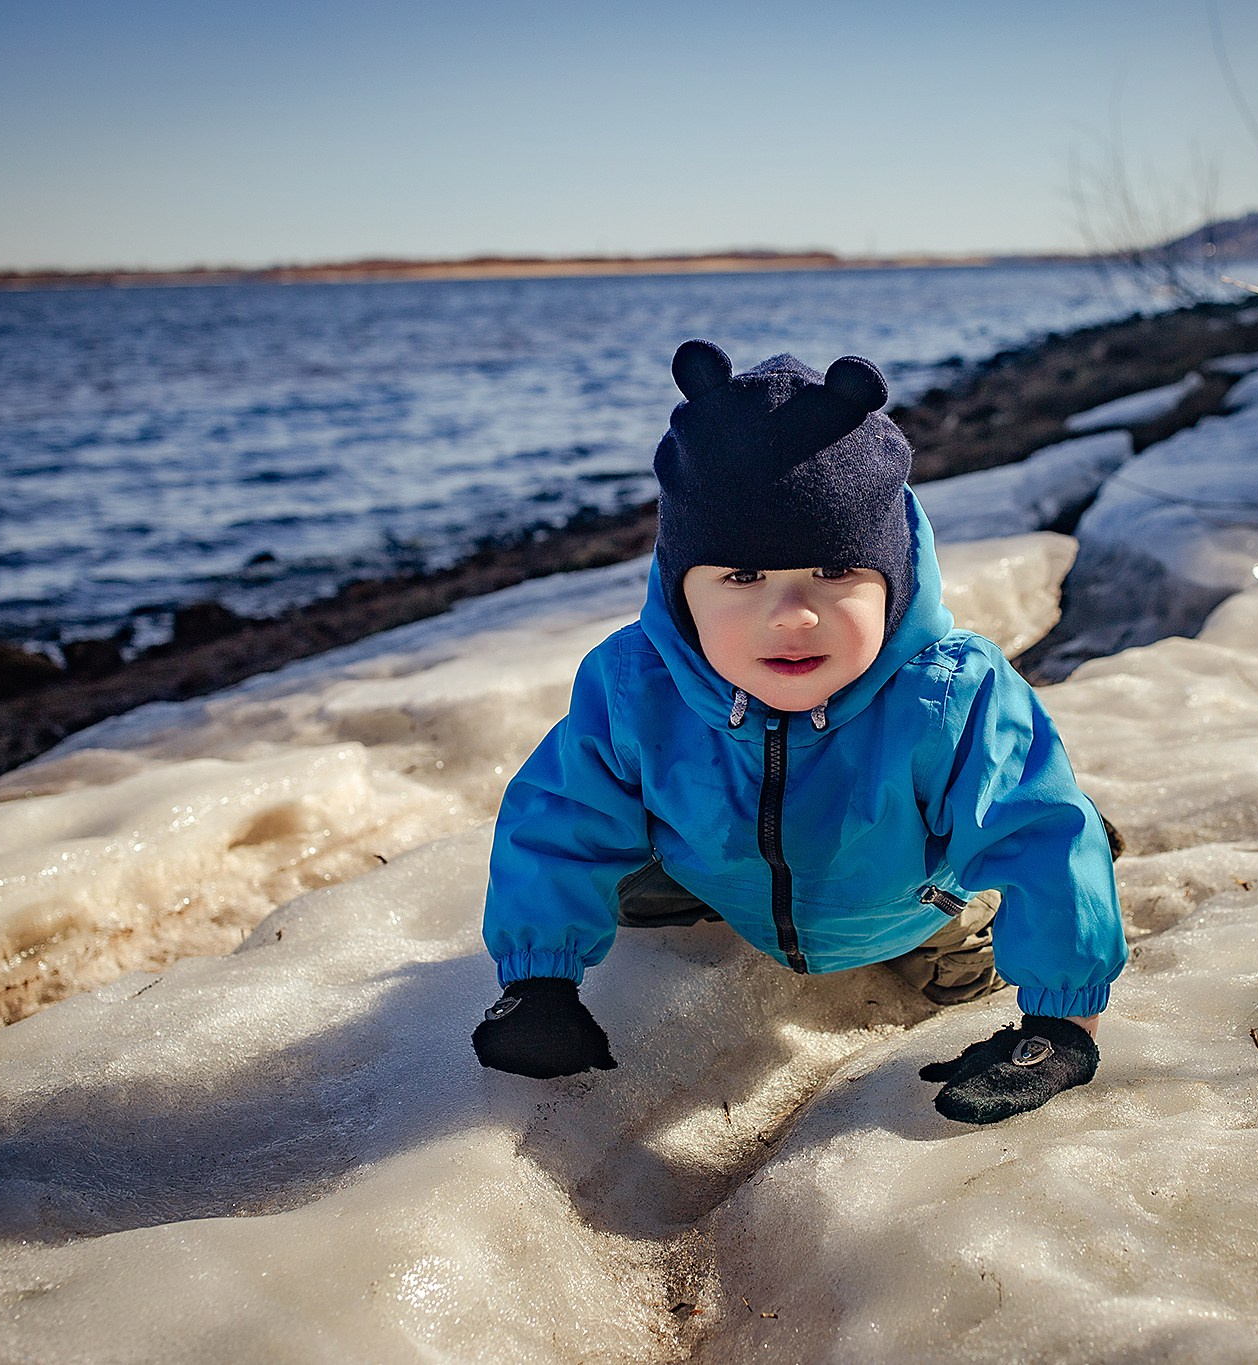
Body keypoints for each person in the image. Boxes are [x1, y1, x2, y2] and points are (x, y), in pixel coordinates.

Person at [469, 339, 1127, 1124]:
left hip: (907, 902)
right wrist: (539, 978)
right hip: (721, 872)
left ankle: (988, 898)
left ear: (895, 580)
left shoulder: (951, 694)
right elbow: (559, 819)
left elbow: (1045, 836)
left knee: (1006, 882)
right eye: (743, 579)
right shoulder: (633, 685)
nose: (792, 615)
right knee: (625, 877)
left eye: (835, 572)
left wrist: (1061, 1023)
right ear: (684, 593)